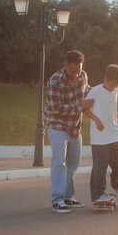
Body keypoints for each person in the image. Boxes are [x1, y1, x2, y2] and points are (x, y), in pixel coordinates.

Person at [45, 50, 91, 213]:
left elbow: (86, 92)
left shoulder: (83, 75)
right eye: (73, 71)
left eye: (79, 70)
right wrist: (80, 107)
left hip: (75, 128)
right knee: (59, 163)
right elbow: (55, 108)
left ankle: (68, 197)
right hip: (58, 127)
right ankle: (57, 200)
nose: (76, 74)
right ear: (66, 65)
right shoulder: (55, 81)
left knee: (73, 164)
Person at [83, 64, 118, 203]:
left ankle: (117, 185)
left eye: (116, 85)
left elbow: (112, 109)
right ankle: (98, 194)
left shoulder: (115, 90)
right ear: (105, 79)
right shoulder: (95, 91)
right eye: (112, 84)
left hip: (114, 134)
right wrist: (97, 120)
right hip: (99, 136)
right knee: (100, 166)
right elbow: (84, 108)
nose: (113, 87)